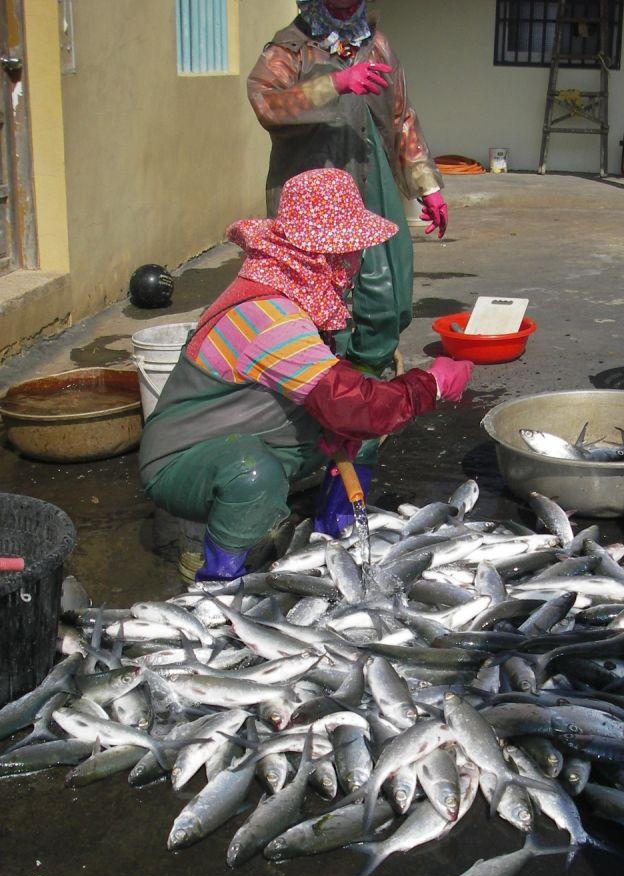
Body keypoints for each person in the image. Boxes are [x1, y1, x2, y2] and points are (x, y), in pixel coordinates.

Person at [138, 169, 472, 582]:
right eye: (350, 252)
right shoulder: (269, 316)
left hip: (250, 430)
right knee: (255, 473)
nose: (355, 263)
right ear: (323, 255)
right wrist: (433, 383)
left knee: (358, 432)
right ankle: (217, 579)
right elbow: (357, 406)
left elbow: (342, 395)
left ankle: (335, 542)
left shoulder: (285, 284)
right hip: (182, 459)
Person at [246, 0, 446, 378]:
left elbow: (402, 116)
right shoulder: (290, 47)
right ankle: (322, 382)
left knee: (389, 292)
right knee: (317, 294)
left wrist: (428, 186)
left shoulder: (377, 44)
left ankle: (368, 374)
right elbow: (266, 104)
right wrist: (335, 84)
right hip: (316, 188)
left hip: (372, 180)